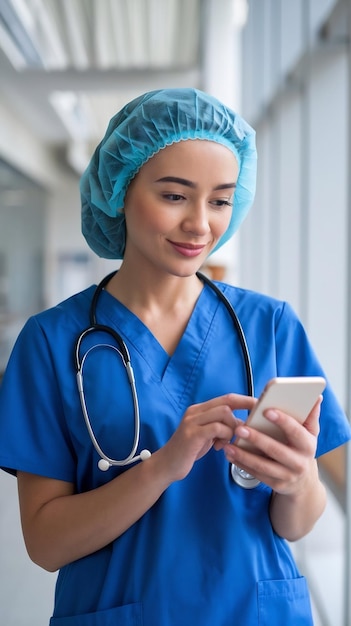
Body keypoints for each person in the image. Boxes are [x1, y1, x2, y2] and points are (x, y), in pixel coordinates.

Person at [0, 88, 350, 626]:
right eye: (174, 196)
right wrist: (162, 467)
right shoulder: (51, 343)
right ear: (119, 190)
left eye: (220, 200)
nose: (200, 225)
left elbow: (296, 524)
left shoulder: (271, 326)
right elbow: (45, 544)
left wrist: (298, 480)